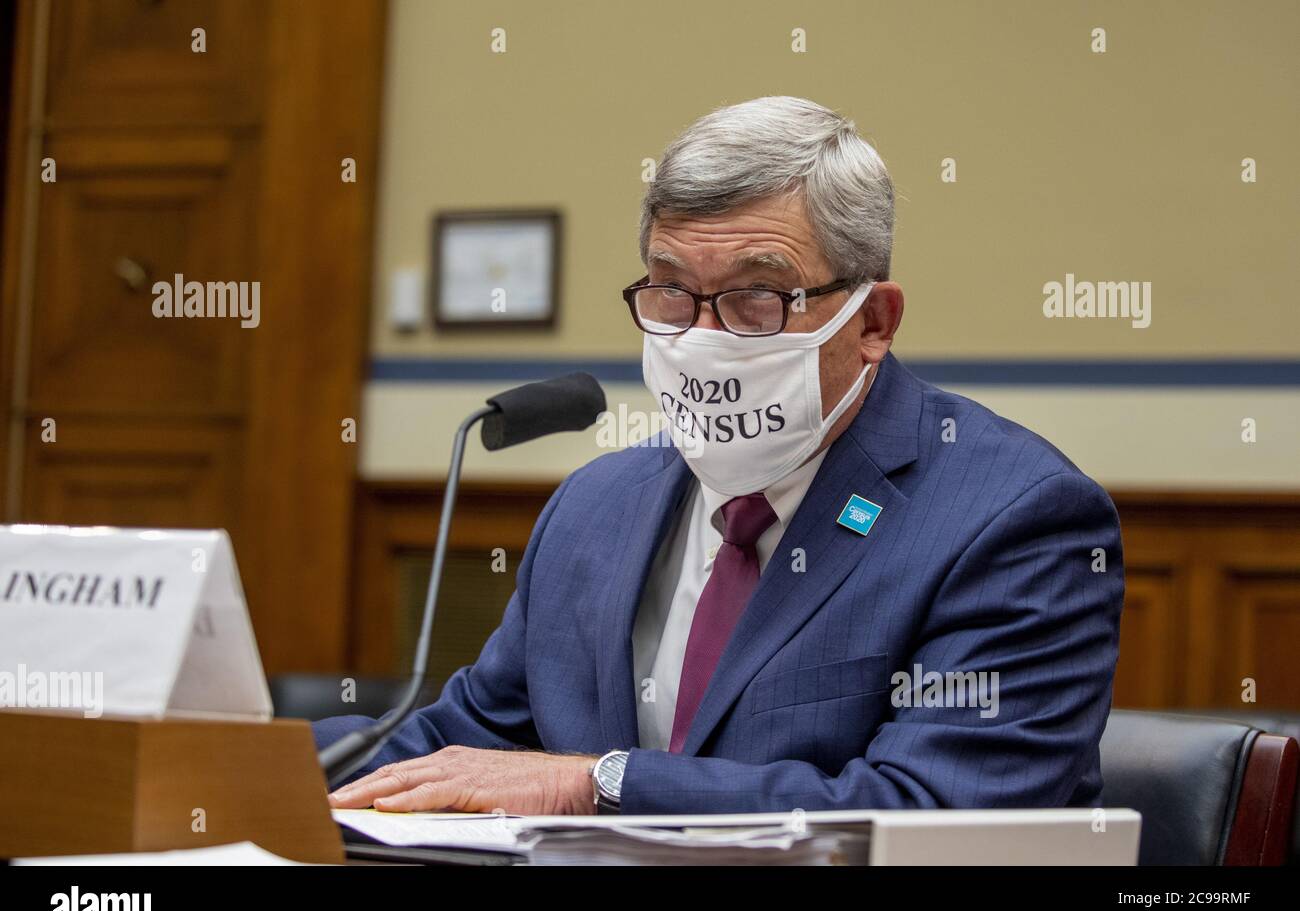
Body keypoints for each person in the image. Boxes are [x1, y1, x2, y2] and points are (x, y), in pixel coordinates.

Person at [318, 95, 1123, 816]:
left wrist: (598, 783)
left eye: (757, 298)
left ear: (873, 321)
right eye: (670, 291)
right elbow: (468, 746)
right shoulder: (598, 504)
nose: (702, 338)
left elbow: (935, 809)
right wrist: (246, 756)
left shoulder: (1013, 517)